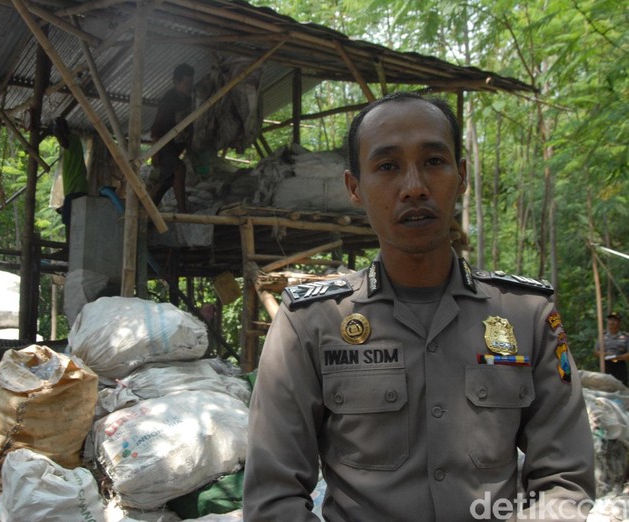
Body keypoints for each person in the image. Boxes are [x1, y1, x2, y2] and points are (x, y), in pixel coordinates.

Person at [243, 92, 595, 521]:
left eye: (433, 161)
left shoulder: (527, 316)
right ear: (354, 187)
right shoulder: (310, 324)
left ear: (461, 176)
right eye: (387, 166)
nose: (414, 187)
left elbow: (564, 482)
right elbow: (274, 499)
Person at [150, 63, 194, 214]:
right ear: (176, 82)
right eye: (186, 83)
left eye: (191, 83)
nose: (189, 87)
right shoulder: (168, 101)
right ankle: (183, 211)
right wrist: (155, 153)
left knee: (166, 181)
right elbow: (156, 128)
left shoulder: (189, 101)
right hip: (163, 146)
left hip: (175, 148)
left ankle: (147, 211)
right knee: (179, 169)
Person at [50, 116, 89, 241]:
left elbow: (63, 142)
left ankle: (69, 247)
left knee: (68, 220)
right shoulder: (70, 144)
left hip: (76, 188)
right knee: (70, 217)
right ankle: (71, 246)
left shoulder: (72, 140)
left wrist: (56, 131)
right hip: (74, 188)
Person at [594, 311, 628, 385]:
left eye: (614, 320)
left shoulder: (625, 337)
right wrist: (606, 354)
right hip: (606, 365)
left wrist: (617, 357)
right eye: (610, 320)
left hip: (620, 365)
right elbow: (596, 352)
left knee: (622, 388)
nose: (612, 322)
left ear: (619, 322)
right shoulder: (602, 336)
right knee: (605, 388)